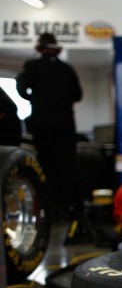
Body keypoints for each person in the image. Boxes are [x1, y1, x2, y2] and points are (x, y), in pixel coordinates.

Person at [17, 32, 83, 219]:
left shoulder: (32, 66)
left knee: (46, 164)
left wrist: (37, 99)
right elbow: (78, 95)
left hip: (42, 122)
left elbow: (21, 88)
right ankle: (71, 208)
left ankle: (50, 208)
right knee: (68, 165)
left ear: (40, 48)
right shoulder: (67, 69)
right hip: (65, 123)